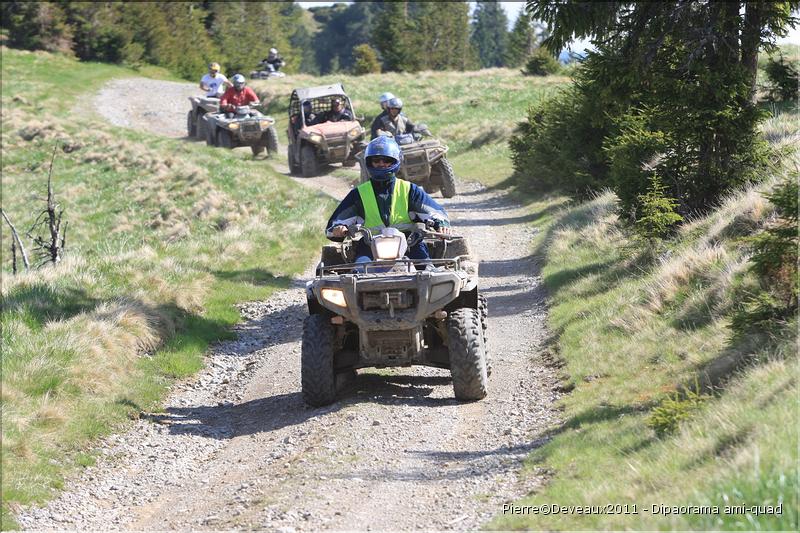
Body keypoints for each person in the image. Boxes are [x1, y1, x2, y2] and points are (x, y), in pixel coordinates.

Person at [326, 136, 450, 265]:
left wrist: (441, 225)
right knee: (358, 271)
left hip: (410, 243)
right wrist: (338, 229)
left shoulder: (410, 190)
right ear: (369, 162)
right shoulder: (358, 194)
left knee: (427, 269)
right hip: (370, 244)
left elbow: (435, 212)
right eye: (376, 160)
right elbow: (335, 224)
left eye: (387, 160)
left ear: (396, 161)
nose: (381, 164)